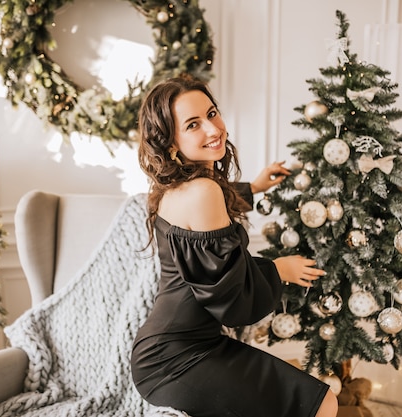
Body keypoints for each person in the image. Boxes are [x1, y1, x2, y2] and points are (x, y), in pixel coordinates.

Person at [131, 76, 339, 417]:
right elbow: (233, 303)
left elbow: (206, 223)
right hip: (175, 360)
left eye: (212, 114)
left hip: (172, 348)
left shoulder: (178, 187)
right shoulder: (203, 191)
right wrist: (280, 268)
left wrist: (255, 187)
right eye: (193, 124)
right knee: (322, 403)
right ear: (171, 142)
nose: (213, 130)